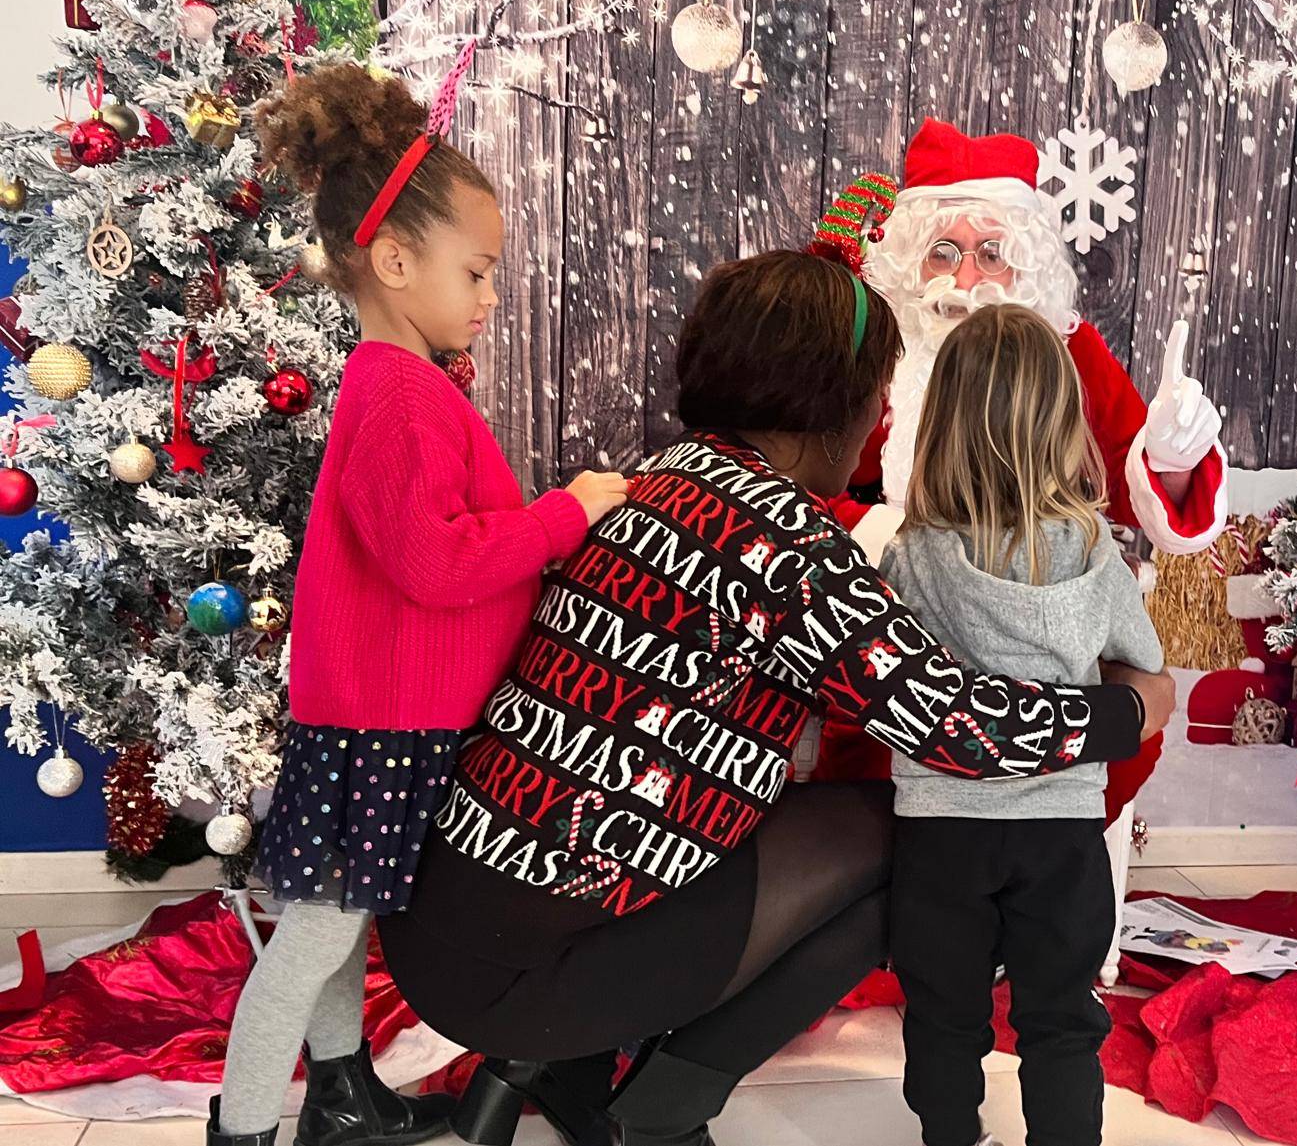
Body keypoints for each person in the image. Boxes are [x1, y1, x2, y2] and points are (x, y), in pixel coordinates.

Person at [377, 197, 1177, 1146]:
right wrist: (1129, 708)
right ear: (834, 399)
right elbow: (960, 727)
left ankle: (582, 1074)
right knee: (923, 850)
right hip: (534, 966)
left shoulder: (663, 480)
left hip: (446, 924)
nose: (882, 415)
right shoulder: (784, 539)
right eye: (877, 391)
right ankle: (664, 1109)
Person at [208, 64, 628, 1146]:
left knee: (340, 928)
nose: (491, 295)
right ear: (395, 262)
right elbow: (435, 565)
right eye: (477, 271)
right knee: (318, 932)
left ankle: (340, 1095)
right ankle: (245, 1128)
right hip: (380, 725)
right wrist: (563, 515)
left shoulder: (406, 383)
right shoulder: (396, 393)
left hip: (387, 717)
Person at [815, 116, 1227, 810]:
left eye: (991, 253)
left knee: (1119, 714)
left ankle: (1045, 850)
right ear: (908, 258)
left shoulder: (1067, 351)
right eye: (943, 251)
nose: (966, 279)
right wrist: (886, 536)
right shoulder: (867, 351)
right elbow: (797, 488)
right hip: (896, 615)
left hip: (1038, 617)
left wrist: (1174, 458)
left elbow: (1132, 481)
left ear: (1025, 263)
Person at [881, 304, 1165, 1146]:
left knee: (943, 1010)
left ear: (944, 421)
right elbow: (1144, 672)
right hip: (1062, 829)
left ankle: (951, 1138)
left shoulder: (913, 551)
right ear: (1062, 421)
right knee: (1062, 1015)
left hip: (940, 828)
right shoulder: (1090, 550)